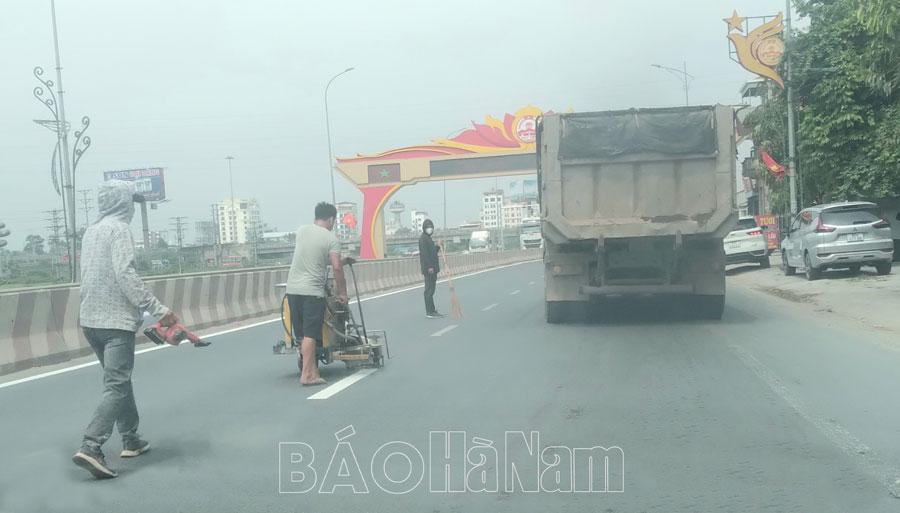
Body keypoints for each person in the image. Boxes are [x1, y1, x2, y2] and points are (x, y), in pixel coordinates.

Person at [73, 181, 179, 479]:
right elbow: (124, 273)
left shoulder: (91, 231)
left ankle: (131, 438)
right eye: (130, 201)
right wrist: (159, 310)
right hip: (114, 322)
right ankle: (91, 445)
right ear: (122, 203)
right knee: (117, 385)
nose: (132, 207)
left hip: (90, 321)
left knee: (119, 381)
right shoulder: (119, 229)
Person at [286, 202, 348, 386]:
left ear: (315, 217)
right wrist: (343, 292)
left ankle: (313, 371)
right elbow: (336, 266)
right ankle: (307, 376)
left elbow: (313, 255)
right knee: (311, 335)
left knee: (302, 335)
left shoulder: (301, 231)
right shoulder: (331, 238)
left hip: (292, 290)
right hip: (312, 291)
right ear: (331, 219)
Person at [418, 218, 443, 318]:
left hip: (433, 268)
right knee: (428, 290)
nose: (430, 229)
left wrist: (438, 246)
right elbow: (425, 255)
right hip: (429, 269)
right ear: (424, 228)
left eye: (431, 227)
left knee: (432, 290)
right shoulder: (423, 239)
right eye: (428, 227)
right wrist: (429, 267)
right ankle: (429, 311)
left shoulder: (429, 239)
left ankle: (432, 310)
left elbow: (432, 253)